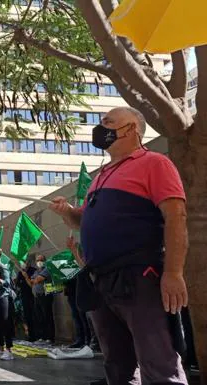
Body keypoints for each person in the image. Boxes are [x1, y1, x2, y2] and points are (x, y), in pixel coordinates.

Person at [49, 107, 189, 385]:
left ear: (132, 129)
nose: (101, 127)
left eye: (108, 122)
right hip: (101, 281)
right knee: (118, 366)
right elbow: (82, 221)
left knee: (158, 363)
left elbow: (176, 216)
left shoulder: (155, 163)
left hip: (140, 277)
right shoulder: (101, 176)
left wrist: (173, 273)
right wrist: (68, 213)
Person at [23, 254, 55, 344]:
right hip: (37, 296)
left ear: (44, 261)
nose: (39, 262)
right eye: (37, 260)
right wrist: (26, 277)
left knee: (47, 317)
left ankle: (50, 338)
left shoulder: (47, 269)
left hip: (45, 295)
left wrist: (33, 280)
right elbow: (31, 284)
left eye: (40, 260)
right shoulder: (36, 271)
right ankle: (42, 337)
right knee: (39, 317)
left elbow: (38, 280)